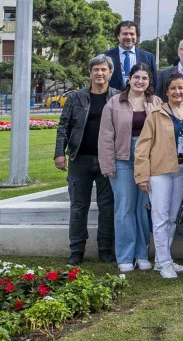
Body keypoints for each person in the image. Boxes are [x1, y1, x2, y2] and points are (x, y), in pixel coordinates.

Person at [98, 62, 161, 272]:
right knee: (124, 208)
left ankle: (142, 254)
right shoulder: (114, 103)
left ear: (149, 81)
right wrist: (108, 165)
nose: (140, 81)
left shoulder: (156, 103)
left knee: (143, 209)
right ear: (129, 79)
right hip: (122, 160)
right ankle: (125, 256)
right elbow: (106, 137)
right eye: (137, 77)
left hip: (148, 161)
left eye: (144, 78)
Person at [135, 70, 183, 279]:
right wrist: (142, 175)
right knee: (160, 217)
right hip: (160, 171)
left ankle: (165, 259)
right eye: (173, 88)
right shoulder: (156, 115)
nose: (177, 92)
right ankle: (163, 262)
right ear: (167, 91)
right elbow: (142, 147)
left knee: (171, 218)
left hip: (182, 172)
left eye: (181, 88)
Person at [54, 55, 116, 265]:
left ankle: (106, 248)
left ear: (110, 73)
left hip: (107, 159)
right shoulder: (75, 98)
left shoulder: (117, 97)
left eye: (103, 70)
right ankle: (76, 249)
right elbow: (64, 126)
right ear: (90, 73)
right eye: (96, 70)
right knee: (78, 205)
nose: (99, 73)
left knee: (107, 206)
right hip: (80, 158)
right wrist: (59, 153)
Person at [104, 20, 157, 91]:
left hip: (141, 100)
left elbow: (154, 83)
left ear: (137, 36)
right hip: (111, 99)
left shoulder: (148, 57)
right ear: (118, 36)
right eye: (125, 34)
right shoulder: (105, 56)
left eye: (132, 34)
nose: (128, 37)